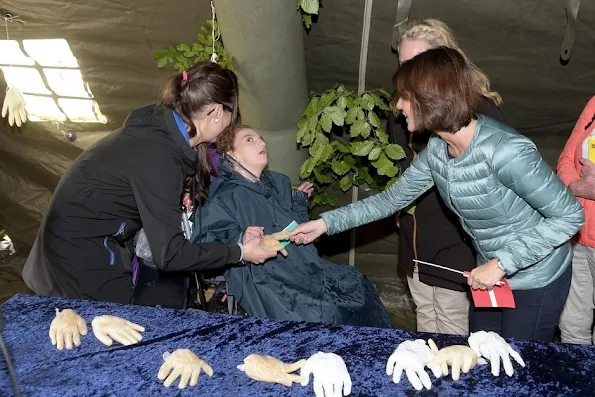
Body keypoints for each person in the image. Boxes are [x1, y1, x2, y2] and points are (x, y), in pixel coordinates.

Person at [289, 47, 585, 341]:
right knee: (481, 354)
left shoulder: (506, 151)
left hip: (536, 277)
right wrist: (325, 224)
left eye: (405, 96)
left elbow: (570, 215)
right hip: (490, 274)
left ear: (430, 99)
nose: (399, 106)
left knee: (518, 370)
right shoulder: (437, 150)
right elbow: (391, 200)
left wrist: (502, 263)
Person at [22, 62, 277, 305]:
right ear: (216, 112)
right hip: (75, 256)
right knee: (116, 331)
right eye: (232, 113)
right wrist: (240, 252)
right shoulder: (159, 157)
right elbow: (171, 254)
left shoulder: (161, 128)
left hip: (81, 241)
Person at [192, 125, 393, 327]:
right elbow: (203, 244)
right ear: (231, 154)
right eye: (249, 140)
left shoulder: (276, 185)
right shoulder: (226, 196)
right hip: (270, 283)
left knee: (356, 284)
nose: (263, 142)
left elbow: (292, 230)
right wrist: (240, 240)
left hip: (302, 269)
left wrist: (299, 202)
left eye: (261, 138)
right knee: (323, 314)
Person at [388, 18, 506, 335]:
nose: (407, 73)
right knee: (426, 324)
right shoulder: (402, 110)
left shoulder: (478, 111)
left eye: (416, 63)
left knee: (452, 332)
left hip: (454, 242)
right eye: (402, 64)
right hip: (415, 243)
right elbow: (399, 168)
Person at [557, 95, 595, 344]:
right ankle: (578, 379)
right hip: (579, 235)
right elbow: (566, 159)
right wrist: (575, 186)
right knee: (571, 324)